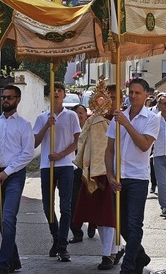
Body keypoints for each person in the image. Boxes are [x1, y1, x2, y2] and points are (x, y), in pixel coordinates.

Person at [0, 85, 34, 274]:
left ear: (18, 100)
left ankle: (3, 264)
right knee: (2, 220)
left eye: (10, 97)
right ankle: (14, 259)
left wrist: (7, 172)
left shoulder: (24, 125)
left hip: (14, 175)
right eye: (3, 97)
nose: (5, 100)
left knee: (9, 217)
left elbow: (27, 154)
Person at [105, 78, 159, 274]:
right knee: (121, 224)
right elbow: (109, 149)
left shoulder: (152, 119)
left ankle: (127, 268)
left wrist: (127, 124)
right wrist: (110, 174)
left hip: (138, 177)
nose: (133, 96)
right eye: (131, 92)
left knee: (134, 223)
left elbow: (144, 145)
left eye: (137, 93)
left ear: (146, 95)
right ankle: (141, 256)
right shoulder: (117, 117)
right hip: (119, 176)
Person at [72, 82, 125, 270]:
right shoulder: (94, 120)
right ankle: (109, 252)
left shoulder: (124, 118)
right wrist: (93, 170)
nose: (107, 101)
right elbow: (87, 145)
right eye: (105, 97)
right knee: (101, 215)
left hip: (122, 172)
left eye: (112, 97)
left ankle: (114, 250)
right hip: (99, 171)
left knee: (113, 215)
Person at [33, 82, 82, 262]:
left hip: (66, 165)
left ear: (63, 94)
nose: (56, 93)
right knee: (48, 206)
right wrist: (47, 125)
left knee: (66, 206)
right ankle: (55, 236)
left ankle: (63, 244)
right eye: (53, 91)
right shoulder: (42, 117)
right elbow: (35, 142)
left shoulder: (71, 116)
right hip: (47, 165)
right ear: (48, 95)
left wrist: (61, 154)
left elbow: (78, 141)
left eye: (59, 90)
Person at [69, 104, 95, 243]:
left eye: (81, 113)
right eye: (76, 113)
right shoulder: (69, 129)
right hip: (74, 168)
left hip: (90, 168)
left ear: (86, 114)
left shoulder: (91, 128)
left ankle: (93, 222)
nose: (79, 115)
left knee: (91, 198)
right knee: (74, 201)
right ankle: (76, 231)